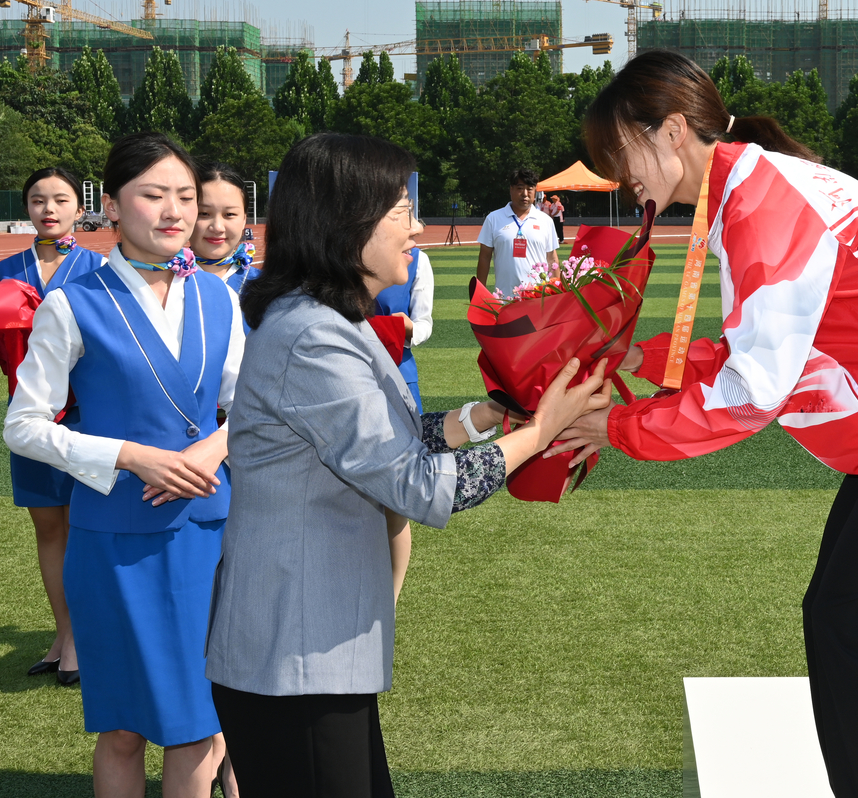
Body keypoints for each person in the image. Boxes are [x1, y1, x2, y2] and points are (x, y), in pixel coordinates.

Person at [568, 50, 858, 798]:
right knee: (842, 627)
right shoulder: (751, 191)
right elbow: (745, 350)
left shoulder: (761, 203)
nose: (615, 176)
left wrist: (620, 427)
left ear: (672, 131)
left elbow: (752, 391)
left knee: (853, 638)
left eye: (617, 152)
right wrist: (627, 365)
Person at [205, 132, 610, 798]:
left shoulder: (335, 318)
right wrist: (540, 433)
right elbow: (417, 488)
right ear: (346, 222)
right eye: (400, 210)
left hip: (316, 653)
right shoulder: (312, 335)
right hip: (293, 658)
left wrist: (482, 418)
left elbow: (375, 446)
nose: (416, 227)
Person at [4, 132, 242, 798]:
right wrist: (129, 456)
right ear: (110, 205)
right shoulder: (73, 303)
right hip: (113, 544)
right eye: (153, 195)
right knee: (122, 730)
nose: (175, 212)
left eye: (186, 197)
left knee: (197, 725)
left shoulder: (220, 299)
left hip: (208, 538)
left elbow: (250, 402)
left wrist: (213, 447)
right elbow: (22, 425)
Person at [0, 167, 108, 684]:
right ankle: (62, 634)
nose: (49, 209)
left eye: (60, 199)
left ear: (78, 208)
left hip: (84, 416)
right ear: (27, 208)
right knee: (48, 528)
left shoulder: (98, 267)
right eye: (38, 200)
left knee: (83, 528)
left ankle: (85, 638)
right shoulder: (6, 266)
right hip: (32, 414)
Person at [374, 217, 434, 412]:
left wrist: (409, 328)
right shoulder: (340, 259)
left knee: (413, 438)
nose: (417, 227)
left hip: (399, 369)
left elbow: (423, 323)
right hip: (347, 370)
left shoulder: (417, 260)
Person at [476, 168, 560, 298]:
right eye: (520, 188)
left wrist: (557, 294)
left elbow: (552, 259)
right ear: (511, 189)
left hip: (538, 298)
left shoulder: (546, 221)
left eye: (530, 188)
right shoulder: (493, 218)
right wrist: (479, 294)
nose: (525, 194)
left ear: (535, 191)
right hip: (505, 298)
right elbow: (484, 257)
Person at [191, 161, 258, 297]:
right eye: (203, 213)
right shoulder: (161, 283)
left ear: (244, 219)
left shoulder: (263, 286)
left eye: (229, 214)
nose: (217, 228)